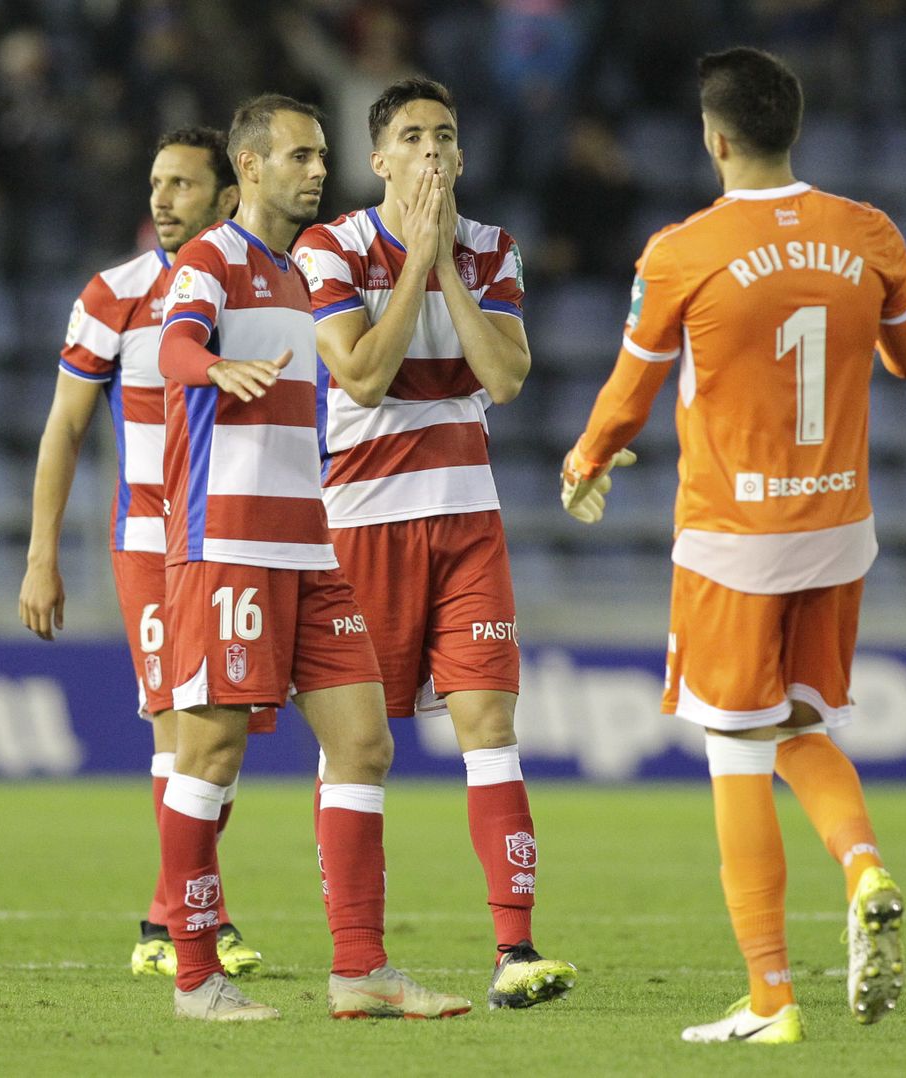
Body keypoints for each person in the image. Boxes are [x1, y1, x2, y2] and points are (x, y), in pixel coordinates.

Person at [560, 48, 906, 1043]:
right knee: (802, 730)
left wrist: (583, 458)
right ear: (790, 129)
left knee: (734, 749)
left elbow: (628, 398)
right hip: (838, 530)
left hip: (734, 540)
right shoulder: (869, 231)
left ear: (712, 137)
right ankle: (863, 867)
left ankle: (771, 999)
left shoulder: (682, 249)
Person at [154, 93, 469, 1022]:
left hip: (310, 545)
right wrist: (211, 369)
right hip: (228, 548)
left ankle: (361, 970)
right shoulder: (212, 259)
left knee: (365, 743)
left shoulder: (302, 275)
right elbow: (175, 344)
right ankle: (195, 977)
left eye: (322, 156)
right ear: (248, 167)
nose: (317, 171)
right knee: (208, 750)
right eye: (298, 157)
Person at [293, 76, 576, 1010]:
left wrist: (445, 261)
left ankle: (515, 951)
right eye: (411, 137)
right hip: (360, 528)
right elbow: (363, 378)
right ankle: (359, 964)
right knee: (359, 751)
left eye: (445, 137)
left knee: (490, 731)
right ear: (379, 160)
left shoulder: (493, 249)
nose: (430, 151)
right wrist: (414, 258)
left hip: (467, 524)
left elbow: (505, 376)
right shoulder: (330, 246)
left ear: (461, 158)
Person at [17, 127, 264, 980]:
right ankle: (180, 924)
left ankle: (184, 916)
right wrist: (41, 554)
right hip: (154, 541)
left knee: (222, 739)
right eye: (156, 182)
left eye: (183, 186)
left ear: (228, 198)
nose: (161, 199)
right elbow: (66, 428)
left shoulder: (263, 290)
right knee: (179, 731)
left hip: (240, 539)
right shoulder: (114, 295)